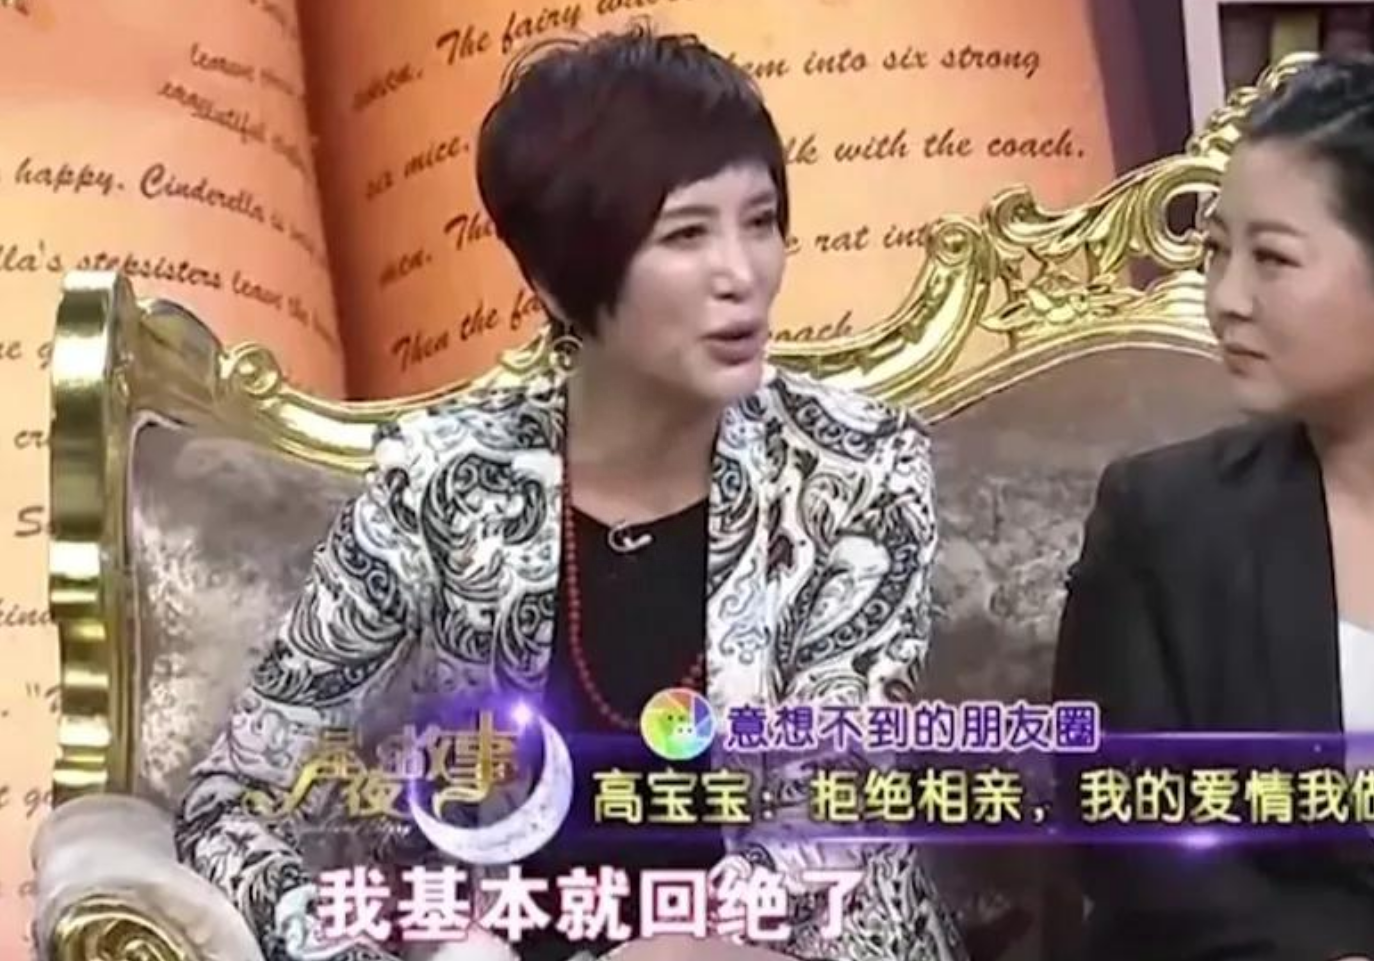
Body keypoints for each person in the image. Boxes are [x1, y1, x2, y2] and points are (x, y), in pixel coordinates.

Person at [173, 27, 965, 961]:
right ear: (556, 282)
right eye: (686, 234)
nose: (742, 274)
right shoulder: (443, 486)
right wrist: (391, 946)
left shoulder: (855, 468)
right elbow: (234, 801)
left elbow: (831, 817)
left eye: (760, 221)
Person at [1053, 55, 1374, 961]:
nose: (1223, 300)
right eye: (1215, 252)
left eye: (1271, 259)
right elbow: (1125, 828)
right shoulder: (1161, 520)